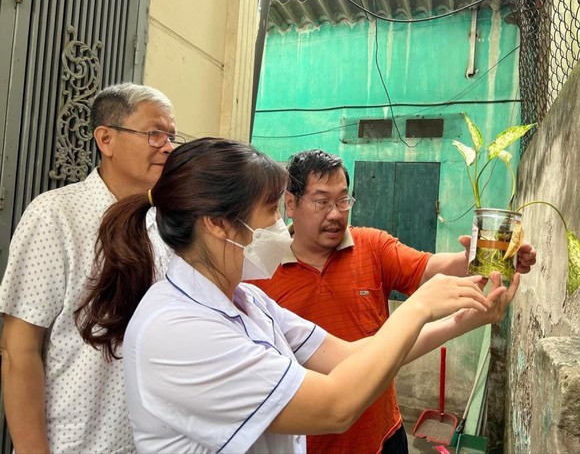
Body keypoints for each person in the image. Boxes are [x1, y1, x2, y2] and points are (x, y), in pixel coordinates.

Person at [76, 137, 520, 453]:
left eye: (343, 200)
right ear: (217, 223)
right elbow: (335, 406)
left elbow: (353, 357)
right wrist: (418, 307)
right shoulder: (177, 330)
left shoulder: (246, 303)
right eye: (270, 212)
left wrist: (465, 320)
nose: (276, 229)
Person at [249, 149, 537, 454]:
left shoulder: (371, 245)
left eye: (343, 200)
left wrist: (479, 257)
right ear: (290, 203)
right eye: (321, 202)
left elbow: (428, 267)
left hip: (384, 435)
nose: (335, 214)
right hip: (309, 443)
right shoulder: (258, 274)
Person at [0, 83, 181, 453]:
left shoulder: (165, 227)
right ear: (106, 139)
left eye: (172, 136)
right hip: (73, 443)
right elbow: (19, 349)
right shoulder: (56, 215)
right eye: (155, 134)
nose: (168, 146)